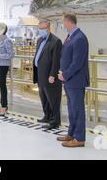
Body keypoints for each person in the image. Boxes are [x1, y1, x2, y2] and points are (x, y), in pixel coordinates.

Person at [57, 13, 89, 148]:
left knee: (78, 110)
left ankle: (79, 138)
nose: (63, 25)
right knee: (71, 109)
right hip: (69, 80)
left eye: (63, 22)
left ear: (69, 22)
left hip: (76, 80)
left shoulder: (79, 38)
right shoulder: (71, 37)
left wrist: (65, 74)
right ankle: (72, 133)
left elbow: (77, 62)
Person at [33, 20, 63, 130]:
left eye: (42, 29)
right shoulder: (40, 40)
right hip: (40, 74)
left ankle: (55, 121)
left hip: (50, 76)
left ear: (48, 28)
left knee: (53, 99)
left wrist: (53, 75)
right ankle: (47, 116)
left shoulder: (56, 41)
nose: (40, 31)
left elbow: (56, 61)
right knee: (43, 97)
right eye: (39, 29)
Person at [0, 22, 15, 116]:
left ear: (3, 29)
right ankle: (2, 105)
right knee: (0, 85)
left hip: (3, 66)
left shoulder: (7, 40)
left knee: (2, 85)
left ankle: (4, 106)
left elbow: (11, 54)